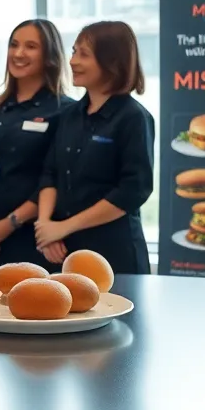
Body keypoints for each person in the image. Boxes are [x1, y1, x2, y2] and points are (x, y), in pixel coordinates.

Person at [35, 20, 155, 275]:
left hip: (114, 253)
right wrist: (47, 228)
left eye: (83, 54)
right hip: (62, 251)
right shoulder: (68, 115)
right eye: (74, 52)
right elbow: (50, 174)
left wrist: (64, 227)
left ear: (112, 62)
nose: (73, 62)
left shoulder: (134, 117)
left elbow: (133, 190)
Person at [0, 19, 74, 269]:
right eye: (14, 45)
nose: (19, 53)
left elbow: (53, 178)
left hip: (33, 238)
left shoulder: (65, 110)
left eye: (30, 46)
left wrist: (10, 223)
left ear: (49, 55)